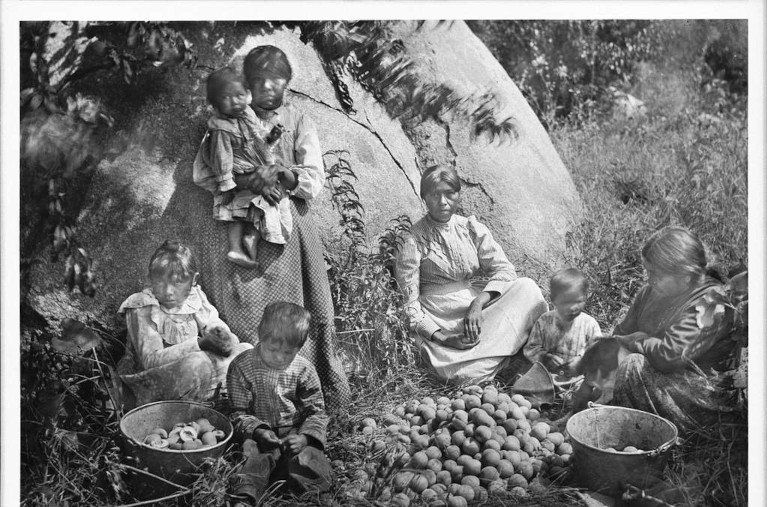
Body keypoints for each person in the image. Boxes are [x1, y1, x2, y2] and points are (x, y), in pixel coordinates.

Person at [194, 45, 350, 413]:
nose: (266, 87)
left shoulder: (298, 119)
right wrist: (246, 178)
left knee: (297, 314)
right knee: (245, 312)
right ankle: (246, 406)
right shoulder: (225, 120)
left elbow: (313, 179)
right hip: (241, 225)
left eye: (274, 79)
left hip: (289, 233)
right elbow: (203, 174)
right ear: (245, 85)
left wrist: (282, 173)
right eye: (257, 80)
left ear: (288, 82)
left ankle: (307, 400)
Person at [394, 164, 548, 384]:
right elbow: (409, 305)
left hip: (474, 310)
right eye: (435, 194)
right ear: (424, 197)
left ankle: (507, 358)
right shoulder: (412, 240)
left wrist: (478, 303)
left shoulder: (470, 228)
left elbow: (504, 270)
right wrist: (444, 337)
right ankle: (500, 360)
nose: (443, 202)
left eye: (450, 193)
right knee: (464, 375)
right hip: (440, 316)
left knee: (528, 289)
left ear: (458, 195)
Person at [610, 226, 740, 432]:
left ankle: (647, 431)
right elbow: (620, 334)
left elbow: (670, 356)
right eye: (648, 272)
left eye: (656, 274)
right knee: (617, 357)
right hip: (661, 379)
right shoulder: (650, 292)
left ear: (686, 274)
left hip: (700, 393)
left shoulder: (712, 303)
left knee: (633, 365)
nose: (650, 280)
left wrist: (638, 340)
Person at [115, 240, 252, 408]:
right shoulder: (143, 305)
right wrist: (200, 343)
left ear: (193, 280)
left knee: (246, 351)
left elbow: (212, 321)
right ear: (150, 277)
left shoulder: (194, 297)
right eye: (160, 281)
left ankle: (223, 402)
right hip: (150, 381)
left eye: (177, 282)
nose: (168, 291)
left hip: (190, 369)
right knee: (197, 362)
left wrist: (221, 335)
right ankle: (185, 410)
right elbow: (150, 360)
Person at [227, 302, 331, 504]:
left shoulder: (304, 369)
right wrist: (258, 432)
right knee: (253, 458)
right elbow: (237, 412)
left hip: (293, 433)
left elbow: (316, 412)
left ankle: (316, 493)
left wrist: (304, 438)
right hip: (259, 435)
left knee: (309, 457)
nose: (279, 357)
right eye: (272, 349)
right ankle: (245, 497)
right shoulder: (242, 366)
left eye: (287, 353)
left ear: (299, 348)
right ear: (260, 336)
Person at [193, 66, 292, 269]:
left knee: (260, 203)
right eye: (227, 98)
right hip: (238, 173)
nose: (235, 101)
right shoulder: (221, 128)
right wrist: (228, 187)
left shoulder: (246, 113)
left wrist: (270, 137)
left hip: (255, 165)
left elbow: (258, 134)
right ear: (215, 103)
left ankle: (252, 237)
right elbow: (222, 160)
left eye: (239, 95)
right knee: (234, 211)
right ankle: (235, 247)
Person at [523, 267, 602, 377]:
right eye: (566, 302)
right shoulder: (545, 321)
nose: (573, 308)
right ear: (554, 300)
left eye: (578, 301)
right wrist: (544, 358)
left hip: (577, 379)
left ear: (585, 298)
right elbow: (530, 348)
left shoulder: (589, 325)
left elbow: (599, 352)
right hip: (547, 377)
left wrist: (582, 361)